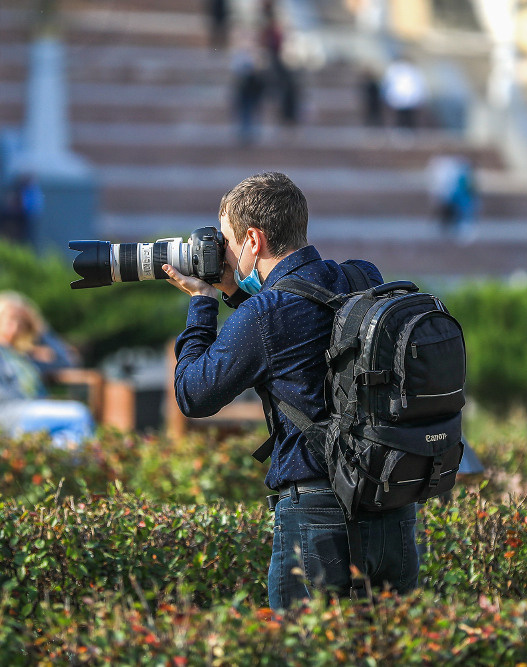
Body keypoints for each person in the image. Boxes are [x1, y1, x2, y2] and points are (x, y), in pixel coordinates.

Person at [162, 172, 419, 610]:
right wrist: (237, 294)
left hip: (317, 517)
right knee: (386, 649)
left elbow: (192, 394)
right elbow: (306, 333)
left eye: (226, 241)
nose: (221, 252)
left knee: (302, 651)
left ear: (253, 241)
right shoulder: (361, 277)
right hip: (389, 506)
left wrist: (203, 302)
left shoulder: (265, 314)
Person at [0, 290, 94, 448]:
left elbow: (67, 362)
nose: (16, 327)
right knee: (80, 415)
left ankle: (55, 464)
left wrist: (42, 329)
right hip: (10, 413)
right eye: (10, 319)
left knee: (66, 438)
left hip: (32, 410)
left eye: (21, 322)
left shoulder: (25, 355)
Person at [381, 57, 426, 129]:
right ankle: (395, 130)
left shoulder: (413, 69)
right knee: (395, 115)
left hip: (409, 98)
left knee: (411, 116)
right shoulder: (394, 68)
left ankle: (413, 130)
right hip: (397, 98)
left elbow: (419, 85)